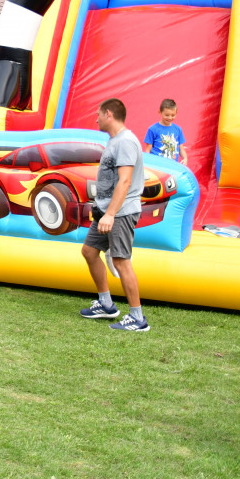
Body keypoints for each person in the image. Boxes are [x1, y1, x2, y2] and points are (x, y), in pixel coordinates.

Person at [80, 98, 150, 332]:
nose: (96, 118)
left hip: (120, 212)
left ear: (109, 114)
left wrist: (110, 214)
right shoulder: (114, 141)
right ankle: (106, 304)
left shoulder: (126, 142)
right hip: (106, 211)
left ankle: (138, 318)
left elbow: (126, 180)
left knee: (121, 260)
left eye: (98, 114)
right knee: (89, 252)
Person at [144, 98, 188, 165]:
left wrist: (185, 159)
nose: (170, 118)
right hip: (157, 165)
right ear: (160, 112)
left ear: (176, 113)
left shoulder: (178, 129)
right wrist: (148, 163)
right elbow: (148, 149)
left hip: (172, 165)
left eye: (173, 115)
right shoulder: (153, 129)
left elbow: (181, 148)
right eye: (167, 115)